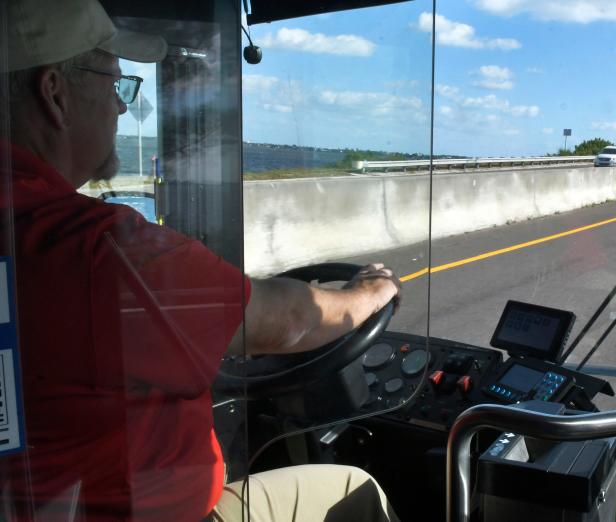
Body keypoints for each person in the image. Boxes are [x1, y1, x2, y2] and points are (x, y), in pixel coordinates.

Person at [0, 0, 401, 520]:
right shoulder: (94, 248)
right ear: (54, 93)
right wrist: (370, 292)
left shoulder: (27, 228)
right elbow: (290, 323)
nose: (122, 107)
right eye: (116, 84)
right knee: (354, 487)